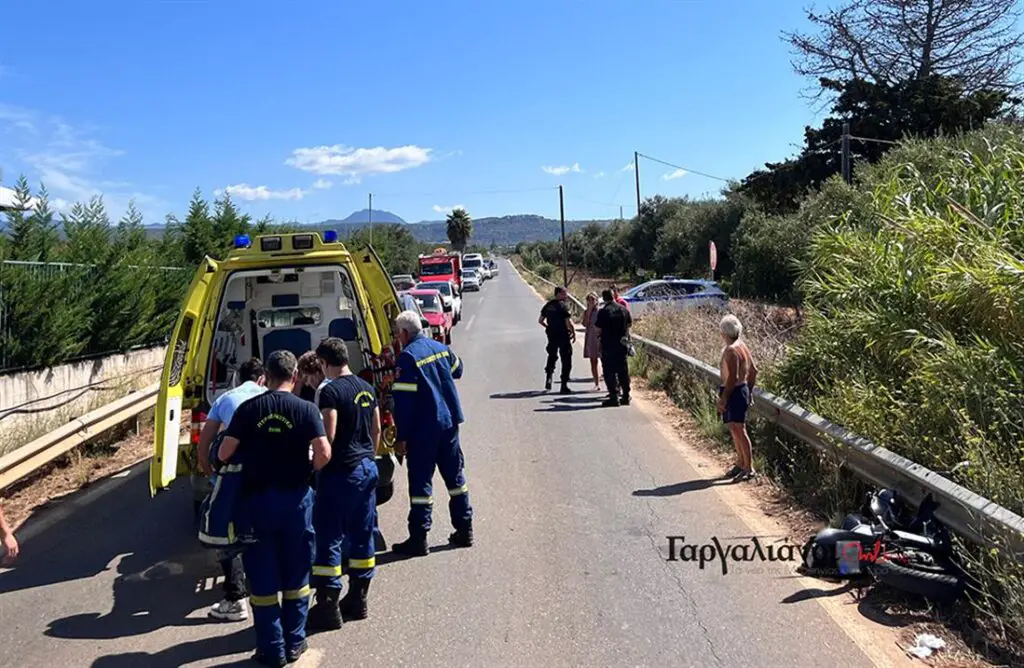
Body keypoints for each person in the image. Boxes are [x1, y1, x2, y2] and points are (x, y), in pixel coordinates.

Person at [218, 351, 332, 667]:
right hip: (295, 502)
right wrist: (310, 470)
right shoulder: (306, 409)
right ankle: (295, 643)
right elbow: (324, 452)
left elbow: (225, 453)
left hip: (257, 505)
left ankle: (272, 649)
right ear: (294, 375)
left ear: (265, 377)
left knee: (263, 579)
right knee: (297, 575)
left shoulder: (248, 409)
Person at [307, 338, 381, 630]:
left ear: (324, 363)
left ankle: (327, 607)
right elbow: (376, 428)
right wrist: (368, 457)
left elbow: (329, 435)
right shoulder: (367, 388)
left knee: (329, 536)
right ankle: (359, 599)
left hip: (340, 473)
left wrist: (315, 469)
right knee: (362, 533)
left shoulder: (331, 392)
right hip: (366, 468)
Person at [389, 311, 473, 557]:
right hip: (448, 426)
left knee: (420, 486)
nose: (397, 338)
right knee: (456, 480)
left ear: (405, 333)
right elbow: (458, 369)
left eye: (397, 333)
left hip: (422, 431)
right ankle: (465, 529)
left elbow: (404, 404)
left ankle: (419, 538)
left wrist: (401, 437)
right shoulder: (439, 347)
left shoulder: (407, 358)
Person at [196, 357, 268, 622]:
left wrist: (210, 473)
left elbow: (204, 444)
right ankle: (268, 586)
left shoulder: (225, 400)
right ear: (262, 378)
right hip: (269, 477)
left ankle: (236, 597)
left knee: (227, 533)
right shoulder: (271, 396)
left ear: (239, 377)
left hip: (233, 478)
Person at [717, 314, 758, 481]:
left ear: (723, 332)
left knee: (740, 429)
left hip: (733, 391)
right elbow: (753, 370)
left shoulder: (731, 350)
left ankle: (749, 467)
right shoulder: (742, 346)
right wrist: (749, 391)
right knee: (735, 428)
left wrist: (724, 398)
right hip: (741, 391)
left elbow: (732, 377)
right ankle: (740, 463)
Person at [595, 289, 633, 407]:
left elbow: (598, 330)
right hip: (622, 344)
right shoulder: (623, 309)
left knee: (609, 371)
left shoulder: (603, 311)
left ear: (604, 298)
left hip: (608, 345)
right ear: (613, 296)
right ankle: (626, 396)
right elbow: (629, 324)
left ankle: (614, 396)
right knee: (623, 370)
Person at [538, 286, 575, 394]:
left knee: (552, 356)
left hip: (552, 335)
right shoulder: (563, 306)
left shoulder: (548, 305)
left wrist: (548, 327)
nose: (566, 295)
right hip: (563, 335)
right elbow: (568, 322)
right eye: (564, 293)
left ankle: (549, 377)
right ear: (558, 294)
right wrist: (573, 332)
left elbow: (540, 320)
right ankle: (564, 385)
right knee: (566, 359)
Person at [581, 292, 602, 392]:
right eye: (589, 300)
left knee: (605, 361)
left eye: (593, 299)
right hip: (591, 338)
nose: (591, 302)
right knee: (593, 361)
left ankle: (612, 383)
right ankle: (596, 384)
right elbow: (585, 324)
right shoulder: (586, 312)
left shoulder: (601, 311)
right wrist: (588, 312)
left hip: (600, 338)